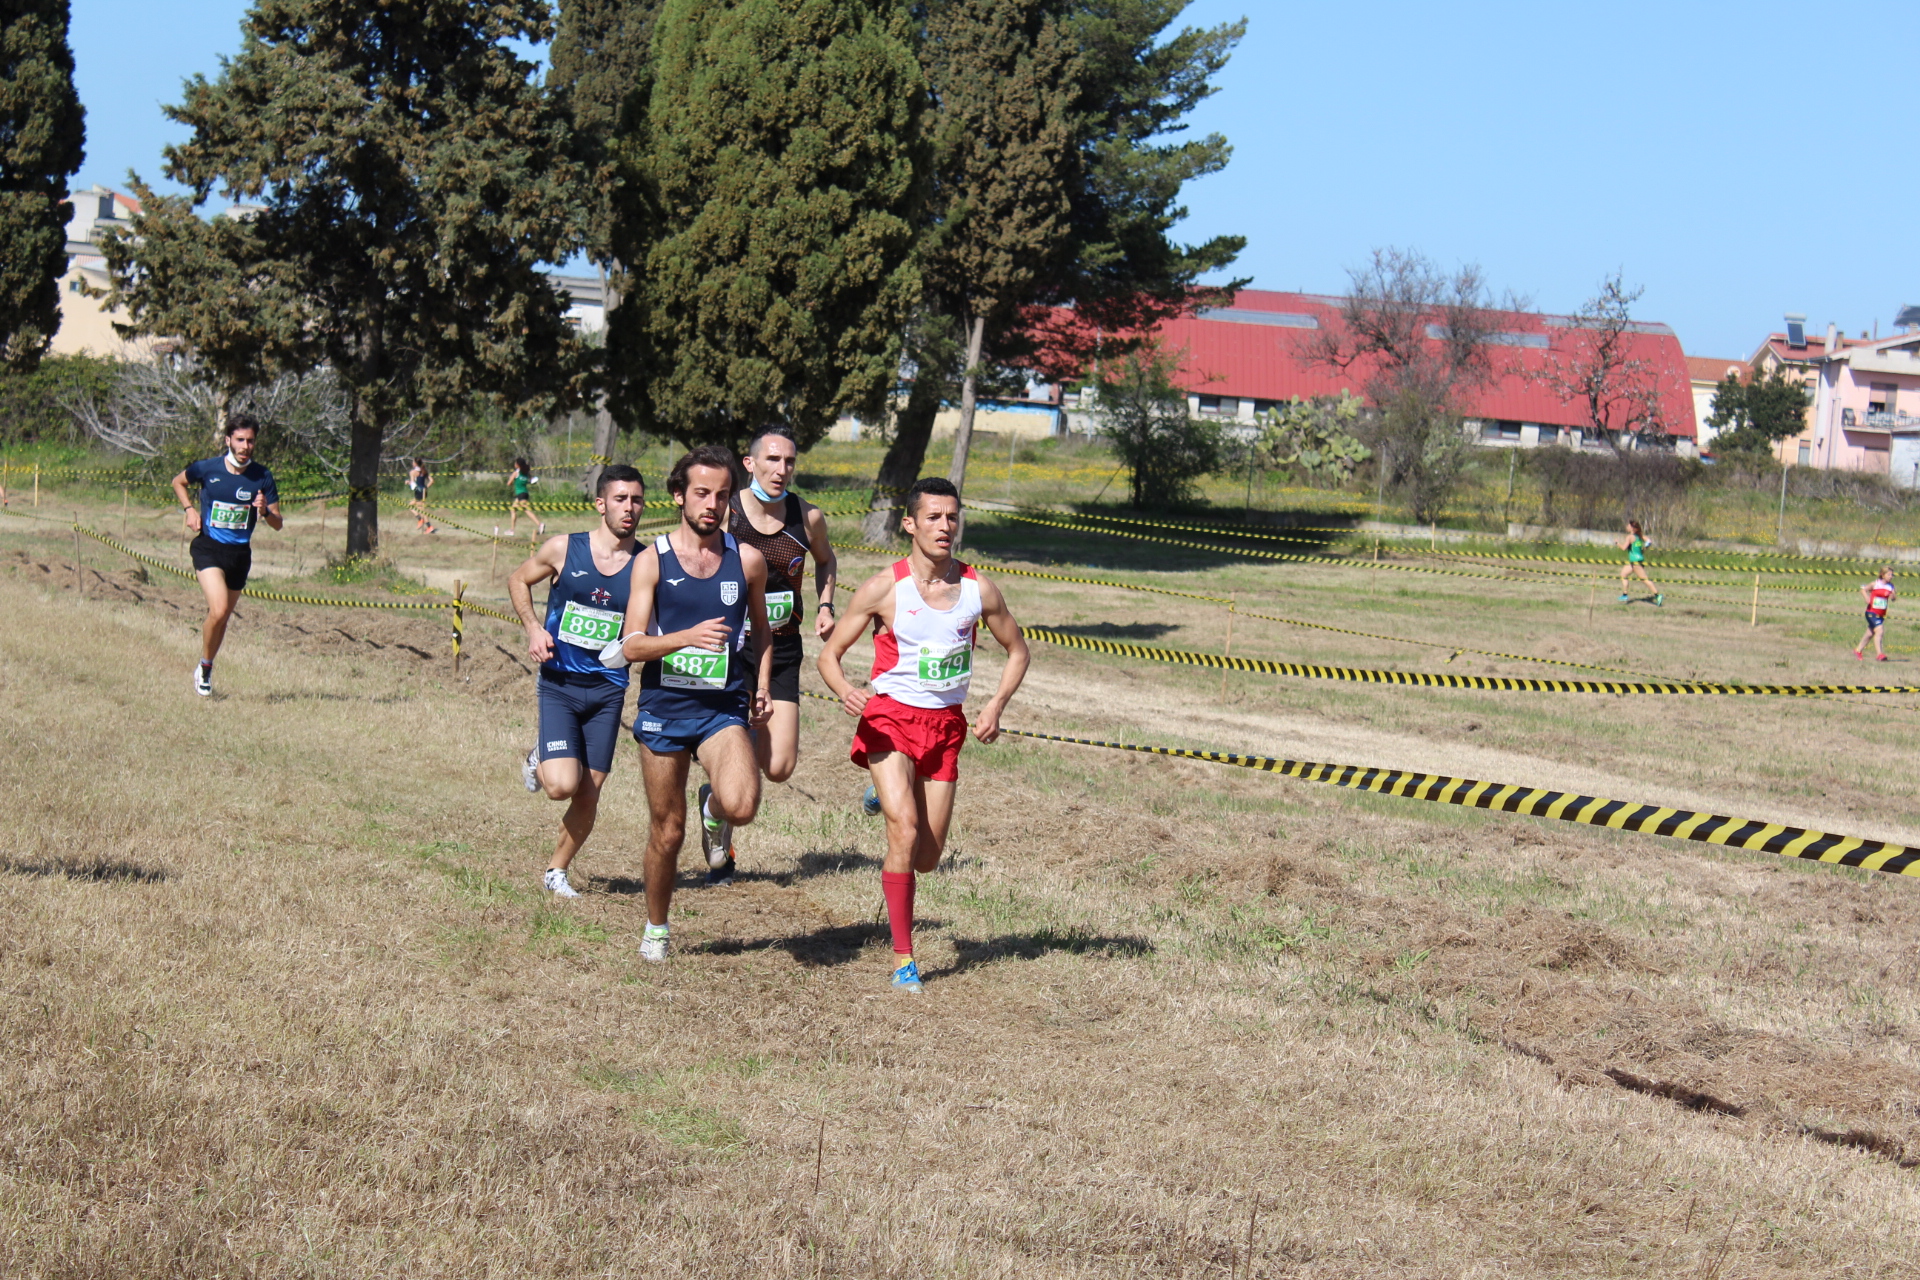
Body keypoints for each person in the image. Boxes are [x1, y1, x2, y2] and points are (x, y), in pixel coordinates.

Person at [817, 476, 1030, 993]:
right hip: (890, 718)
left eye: (952, 517)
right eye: (933, 517)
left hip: (945, 726)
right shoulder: (884, 588)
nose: (944, 526)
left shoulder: (978, 589)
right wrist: (846, 690)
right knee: (905, 831)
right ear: (910, 524)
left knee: (929, 858)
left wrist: (995, 706)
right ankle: (904, 959)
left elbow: (1018, 650)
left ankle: (883, 792)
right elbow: (828, 655)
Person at [615, 446, 774, 963]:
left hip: (721, 710)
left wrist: (762, 684)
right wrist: (685, 637)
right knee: (668, 832)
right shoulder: (652, 560)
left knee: (742, 806)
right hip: (663, 711)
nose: (713, 504)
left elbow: (763, 631)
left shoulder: (746, 560)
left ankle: (715, 809)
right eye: (702, 493)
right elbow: (631, 646)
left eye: (722, 495)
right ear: (678, 495)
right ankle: (656, 927)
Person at [507, 465, 648, 897]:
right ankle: (540, 756)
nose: (629, 508)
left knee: (590, 791)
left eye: (637, 500)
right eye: (620, 499)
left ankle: (556, 871)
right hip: (560, 684)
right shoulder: (564, 548)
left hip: (609, 691)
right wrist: (534, 629)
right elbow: (518, 579)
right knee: (561, 786)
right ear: (601, 503)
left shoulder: (648, 563)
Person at [719, 424, 838, 883]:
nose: (781, 469)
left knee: (780, 766)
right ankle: (722, 828)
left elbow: (826, 560)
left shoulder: (807, 517)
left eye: (789, 461)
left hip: (783, 647)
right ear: (750, 463)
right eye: (772, 459)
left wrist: (825, 605)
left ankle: (717, 795)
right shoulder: (728, 511)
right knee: (740, 753)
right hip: (733, 648)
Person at [171, 413, 282, 697]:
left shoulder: (262, 476)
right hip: (209, 548)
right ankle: (206, 669)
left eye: (250, 441)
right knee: (218, 610)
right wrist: (189, 510)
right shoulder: (208, 468)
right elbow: (178, 482)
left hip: (239, 555)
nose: (245, 446)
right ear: (228, 440)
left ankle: (205, 667)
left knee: (223, 618)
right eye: (240, 440)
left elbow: (278, 523)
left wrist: (264, 511)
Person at [1855, 566, 1896, 661]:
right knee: (1880, 631)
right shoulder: (1875, 584)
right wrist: (1866, 598)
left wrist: (1893, 596)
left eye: (1892, 575)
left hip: (1881, 614)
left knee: (1870, 633)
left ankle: (1858, 650)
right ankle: (1879, 654)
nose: (1891, 576)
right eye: (1889, 574)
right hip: (1871, 612)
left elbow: (1894, 598)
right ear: (1882, 575)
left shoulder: (1891, 586)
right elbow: (1863, 590)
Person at [1617, 519, 1661, 606]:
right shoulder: (1640, 536)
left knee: (1645, 580)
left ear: (1632, 528)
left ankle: (1658, 595)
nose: (1627, 527)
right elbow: (1649, 541)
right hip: (1636, 561)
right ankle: (1625, 595)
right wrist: (1644, 549)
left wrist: (1617, 543)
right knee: (1623, 574)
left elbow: (1624, 548)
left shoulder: (1630, 537)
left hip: (1635, 562)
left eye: (1628, 525)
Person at [508, 458, 544, 537]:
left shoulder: (516, 473)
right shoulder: (526, 473)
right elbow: (532, 480)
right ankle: (512, 530)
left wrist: (513, 478)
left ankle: (540, 524)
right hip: (524, 493)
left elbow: (509, 483)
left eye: (515, 463)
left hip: (520, 494)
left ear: (518, 465)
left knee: (526, 510)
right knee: (513, 509)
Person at [406, 458, 436, 533]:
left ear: (415, 463)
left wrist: (408, 482)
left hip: (418, 492)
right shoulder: (424, 471)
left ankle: (429, 526)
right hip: (424, 492)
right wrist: (425, 487)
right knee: (410, 505)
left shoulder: (413, 472)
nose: (412, 463)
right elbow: (432, 481)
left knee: (422, 511)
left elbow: (413, 486)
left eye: (413, 462)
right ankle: (420, 519)